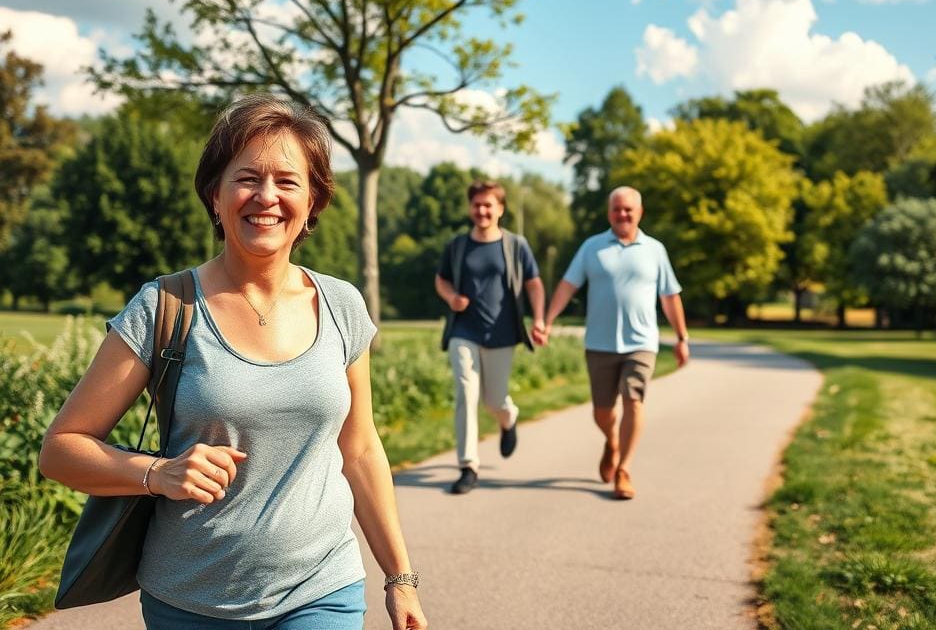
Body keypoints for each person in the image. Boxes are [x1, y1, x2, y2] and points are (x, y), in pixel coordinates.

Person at [40, 94, 427, 630]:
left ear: (313, 201)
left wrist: (399, 578)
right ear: (215, 196)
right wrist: (158, 473)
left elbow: (359, 448)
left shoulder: (342, 305)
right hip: (189, 601)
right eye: (246, 178)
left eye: (288, 181)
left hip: (321, 588)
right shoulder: (165, 306)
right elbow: (60, 451)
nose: (266, 196)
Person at [538, 186, 689, 501]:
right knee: (602, 411)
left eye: (628, 209)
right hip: (600, 343)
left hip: (641, 342)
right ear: (609, 213)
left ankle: (624, 469)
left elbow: (670, 296)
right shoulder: (592, 248)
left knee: (633, 400)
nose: (622, 214)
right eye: (617, 209)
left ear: (639, 212)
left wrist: (681, 338)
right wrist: (548, 320)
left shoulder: (655, 250)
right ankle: (612, 440)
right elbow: (568, 285)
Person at [434, 180, 545, 495]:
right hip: (463, 330)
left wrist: (538, 319)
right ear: (470, 208)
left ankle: (508, 420)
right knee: (466, 393)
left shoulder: (515, 245)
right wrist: (451, 297)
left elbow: (534, 284)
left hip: (502, 332)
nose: (481, 210)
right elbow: (440, 280)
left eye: (488, 205)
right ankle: (468, 466)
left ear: (500, 209)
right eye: (476, 205)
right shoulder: (457, 246)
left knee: (494, 400)